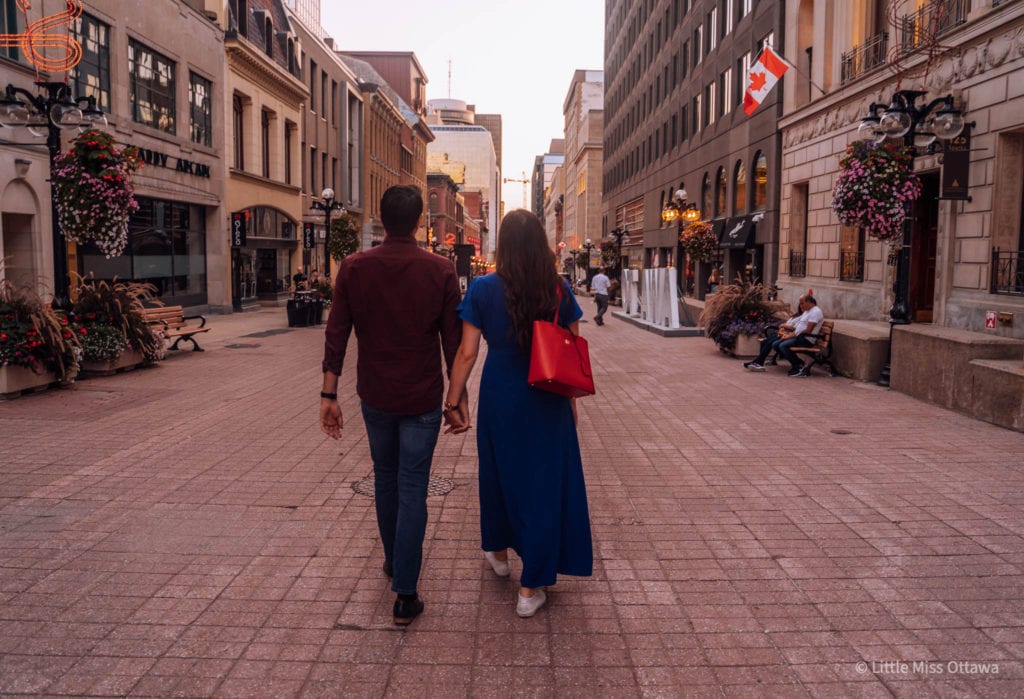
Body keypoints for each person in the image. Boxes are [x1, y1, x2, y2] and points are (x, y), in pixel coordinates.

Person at [320, 185, 462, 626]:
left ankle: (394, 561)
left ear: (381, 218)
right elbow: (454, 342)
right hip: (421, 397)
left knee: (385, 477)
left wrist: (329, 394)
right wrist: (458, 400)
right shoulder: (441, 270)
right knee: (413, 485)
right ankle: (406, 591)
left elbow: (337, 332)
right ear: (420, 221)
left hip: (375, 394)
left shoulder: (354, 267)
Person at [443, 209, 593, 618]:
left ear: (503, 246)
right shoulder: (559, 289)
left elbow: (468, 351)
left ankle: (498, 552)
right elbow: (572, 353)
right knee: (542, 485)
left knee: (498, 473)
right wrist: (572, 405)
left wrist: (453, 399)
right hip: (546, 396)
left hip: (501, 393)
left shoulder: (483, 288)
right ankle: (530, 590)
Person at [777, 294, 824, 376]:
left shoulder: (816, 312)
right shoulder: (807, 311)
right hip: (800, 336)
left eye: (802, 303)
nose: (800, 306)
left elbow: (808, 330)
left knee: (783, 345)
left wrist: (790, 336)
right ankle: (798, 364)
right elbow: (798, 328)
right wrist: (789, 335)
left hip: (806, 339)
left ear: (809, 302)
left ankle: (797, 366)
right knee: (778, 344)